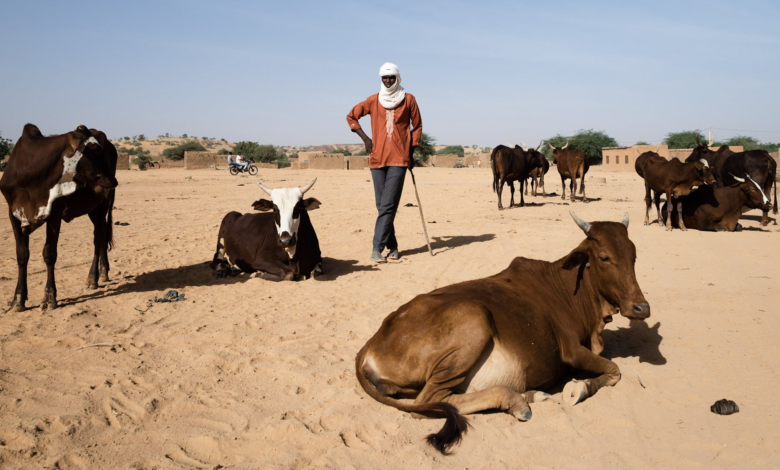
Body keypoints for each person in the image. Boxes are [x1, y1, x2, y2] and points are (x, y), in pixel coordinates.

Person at [347, 63, 422, 263]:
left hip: (399, 158)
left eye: (391, 77)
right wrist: (366, 139)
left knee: (388, 204)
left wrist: (411, 151)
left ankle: (376, 248)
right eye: (384, 77)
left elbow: (417, 125)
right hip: (377, 158)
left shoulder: (408, 99)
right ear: (380, 79)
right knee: (382, 205)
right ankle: (394, 247)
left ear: (397, 78)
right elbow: (351, 116)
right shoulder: (373, 100)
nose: (388, 81)